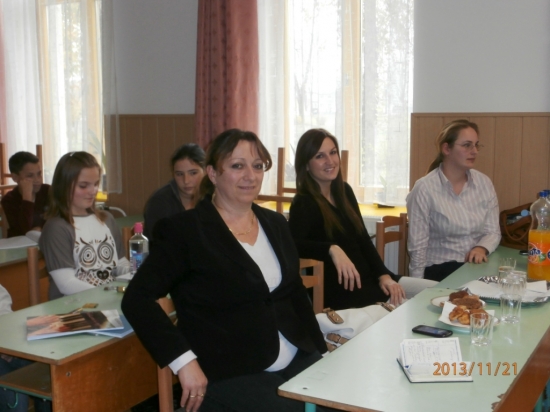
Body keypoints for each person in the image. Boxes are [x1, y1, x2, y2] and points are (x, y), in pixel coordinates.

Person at [122, 129, 331, 412]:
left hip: (295, 354)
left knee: (343, 402)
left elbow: (293, 291)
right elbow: (137, 299)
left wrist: (320, 350)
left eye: (257, 166)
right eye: (237, 166)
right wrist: (184, 361)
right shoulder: (184, 231)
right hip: (230, 370)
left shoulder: (275, 223)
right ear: (212, 173)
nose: (250, 176)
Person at [288, 128, 436, 311]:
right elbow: (293, 245)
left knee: (439, 292)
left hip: (372, 280)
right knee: (418, 310)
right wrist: (331, 249)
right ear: (306, 165)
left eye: (333, 152)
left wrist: (384, 276)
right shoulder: (303, 202)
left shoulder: (344, 191)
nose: (330, 161)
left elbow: (364, 239)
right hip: (346, 293)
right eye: (320, 156)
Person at [406, 119, 501, 281]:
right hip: (440, 268)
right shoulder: (425, 188)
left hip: (475, 266)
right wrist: (418, 286)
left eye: (476, 145)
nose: (474, 151)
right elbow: (418, 247)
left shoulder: (484, 183)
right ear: (446, 149)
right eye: (467, 145)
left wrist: (481, 248)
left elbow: (493, 232)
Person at [39, 152, 130, 298]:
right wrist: (109, 295)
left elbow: (120, 263)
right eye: (83, 186)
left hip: (107, 299)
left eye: (95, 184)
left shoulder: (107, 219)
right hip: (73, 305)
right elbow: (67, 284)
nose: (93, 191)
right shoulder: (57, 228)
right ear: (63, 187)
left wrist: (134, 274)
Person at [0, 284, 51, 412]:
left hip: (6, 347)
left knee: (48, 373)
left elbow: (5, 316)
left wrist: (7, 342)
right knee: (14, 394)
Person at [143, 143, 205, 241]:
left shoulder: (215, 197)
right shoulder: (160, 202)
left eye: (193, 173)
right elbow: (161, 244)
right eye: (179, 174)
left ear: (206, 171)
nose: (186, 181)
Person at [1, 151, 50, 238]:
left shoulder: (48, 191)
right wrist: (27, 197)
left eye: (39, 174)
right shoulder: (9, 200)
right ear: (15, 177)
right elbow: (24, 231)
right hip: (20, 245)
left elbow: (59, 220)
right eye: (30, 176)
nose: (37, 179)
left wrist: (41, 228)